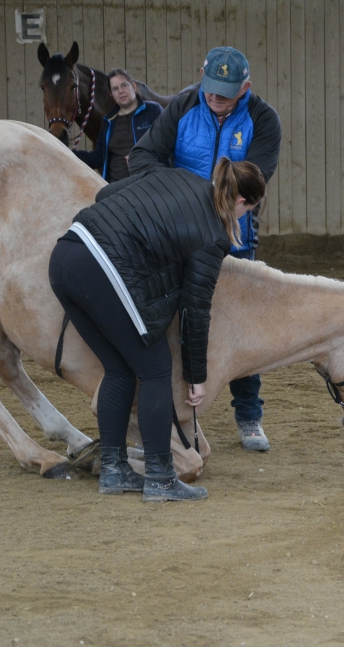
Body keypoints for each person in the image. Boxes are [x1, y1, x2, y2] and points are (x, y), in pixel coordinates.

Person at [49, 159, 266, 500]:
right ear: (241, 202)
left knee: (120, 368)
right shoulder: (212, 234)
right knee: (155, 368)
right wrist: (196, 377)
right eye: (248, 210)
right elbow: (196, 310)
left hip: (65, 256)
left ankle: (114, 470)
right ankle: (161, 479)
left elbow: (106, 193)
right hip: (102, 265)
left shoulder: (176, 175)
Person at [126, 46, 281, 453]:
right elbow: (142, 157)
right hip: (175, 237)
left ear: (245, 86)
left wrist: (211, 210)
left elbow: (252, 184)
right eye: (212, 89)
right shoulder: (181, 106)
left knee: (240, 328)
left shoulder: (263, 120)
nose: (216, 98)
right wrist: (182, 199)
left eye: (227, 93)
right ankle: (158, 409)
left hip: (233, 241)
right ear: (202, 76)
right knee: (166, 318)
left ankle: (249, 415)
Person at [73, 68, 163, 182]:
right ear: (111, 95)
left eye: (124, 85)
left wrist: (142, 157)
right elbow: (97, 158)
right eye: (115, 89)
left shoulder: (153, 110)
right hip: (116, 190)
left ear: (133, 86)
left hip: (148, 185)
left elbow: (167, 144)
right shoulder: (108, 121)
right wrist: (68, 153)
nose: (121, 91)